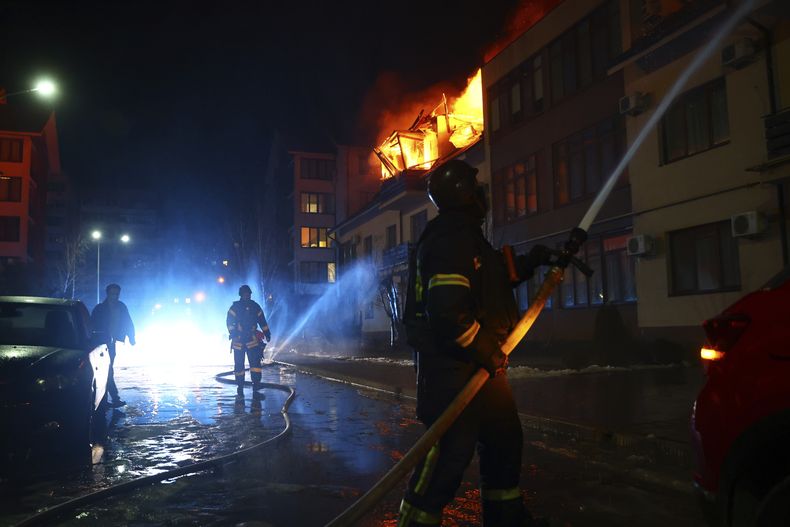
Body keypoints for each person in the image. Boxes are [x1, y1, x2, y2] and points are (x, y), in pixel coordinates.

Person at [399, 159, 552, 526]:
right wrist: (487, 352)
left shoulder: (467, 238)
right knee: (448, 457)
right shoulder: (450, 240)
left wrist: (535, 262)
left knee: (503, 443)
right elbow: (450, 315)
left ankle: (506, 518)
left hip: (482, 368)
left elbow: (492, 284)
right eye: (477, 188)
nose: (484, 195)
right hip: (453, 371)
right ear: (466, 194)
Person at [91, 283, 136, 408]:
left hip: (111, 344)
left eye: (116, 294)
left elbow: (128, 322)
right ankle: (110, 399)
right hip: (100, 344)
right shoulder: (100, 309)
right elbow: (92, 325)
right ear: (108, 294)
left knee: (108, 371)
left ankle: (106, 400)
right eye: (112, 294)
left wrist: (131, 337)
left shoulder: (121, 307)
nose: (114, 296)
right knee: (107, 371)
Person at [226, 284, 271, 396]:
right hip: (239, 340)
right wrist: (234, 333)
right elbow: (229, 322)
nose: (248, 295)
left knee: (255, 364)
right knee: (239, 365)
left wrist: (267, 333)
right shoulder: (234, 307)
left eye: (249, 294)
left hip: (252, 339)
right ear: (241, 295)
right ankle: (240, 386)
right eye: (246, 294)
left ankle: (256, 385)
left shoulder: (255, 306)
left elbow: (262, 321)